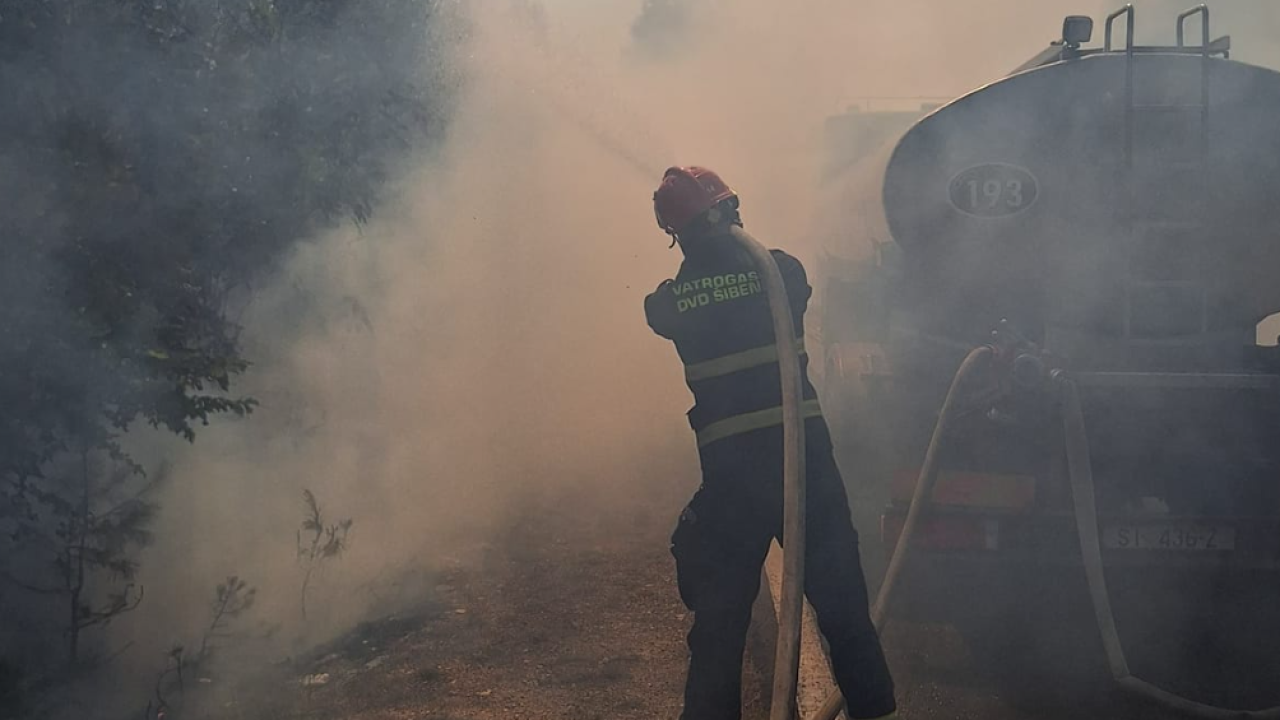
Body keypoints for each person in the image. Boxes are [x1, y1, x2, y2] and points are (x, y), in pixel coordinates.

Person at [644, 166, 898, 720]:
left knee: (719, 625)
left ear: (678, 233)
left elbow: (657, 310)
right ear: (730, 212)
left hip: (732, 483)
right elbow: (787, 280)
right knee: (844, 610)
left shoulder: (672, 302)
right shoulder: (782, 273)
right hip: (804, 470)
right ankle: (876, 712)